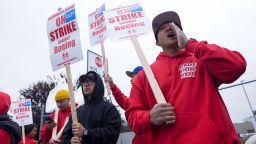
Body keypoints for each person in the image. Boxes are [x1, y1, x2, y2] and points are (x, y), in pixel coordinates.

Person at [125, 11, 247, 144]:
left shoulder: (201, 59)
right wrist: (149, 117)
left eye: (173, 25)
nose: (169, 28)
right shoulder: (144, 76)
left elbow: (237, 66)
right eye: (162, 28)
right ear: (157, 42)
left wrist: (190, 44)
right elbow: (132, 118)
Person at [61, 71, 121, 144]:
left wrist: (85, 132)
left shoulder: (108, 108)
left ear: (98, 85)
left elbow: (111, 134)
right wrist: (70, 141)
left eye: (89, 82)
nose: (86, 85)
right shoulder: (76, 112)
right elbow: (65, 136)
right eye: (84, 83)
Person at [104, 66, 152, 144]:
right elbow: (123, 100)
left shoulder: (155, 94)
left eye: (133, 76)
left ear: (143, 75)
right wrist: (112, 85)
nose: (131, 80)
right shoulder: (136, 99)